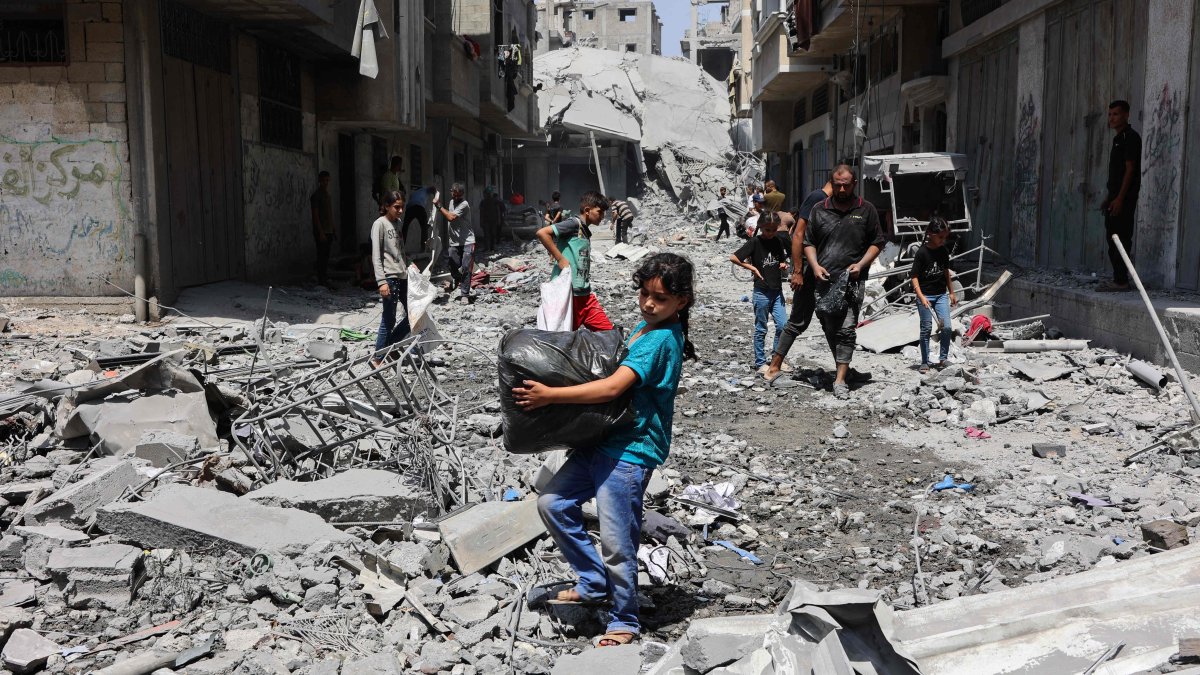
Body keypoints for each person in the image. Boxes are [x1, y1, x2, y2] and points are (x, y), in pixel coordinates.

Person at [517, 252, 696, 648]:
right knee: (552, 503)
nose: (648, 304)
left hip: (630, 451)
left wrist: (551, 395)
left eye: (660, 298)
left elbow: (614, 387)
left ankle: (624, 620)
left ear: (681, 302)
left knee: (617, 542)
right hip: (604, 440)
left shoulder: (661, 340)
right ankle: (593, 582)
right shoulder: (647, 328)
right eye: (644, 294)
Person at [804, 165, 885, 399]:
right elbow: (809, 242)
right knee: (829, 326)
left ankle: (839, 380)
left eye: (846, 185)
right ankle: (845, 369)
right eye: (837, 184)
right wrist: (815, 266)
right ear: (831, 183)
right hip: (825, 281)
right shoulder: (819, 210)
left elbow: (877, 242)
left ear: (854, 184)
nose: (841, 189)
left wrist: (861, 264)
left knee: (847, 329)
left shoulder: (866, 209)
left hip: (852, 281)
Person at [762, 181, 832, 385]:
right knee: (798, 321)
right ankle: (774, 366)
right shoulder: (818, 198)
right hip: (810, 269)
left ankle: (842, 372)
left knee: (830, 322)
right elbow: (798, 235)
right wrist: (798, 271)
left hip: (821, 268)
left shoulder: (828, 201)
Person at [536, 191, 614, 331]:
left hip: (585, 296)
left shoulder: (584, 230)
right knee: (560, 337)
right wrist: (560, 259)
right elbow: (543, 233)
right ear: (587, 210)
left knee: (609, 333)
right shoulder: (573, 224)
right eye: (600, 212)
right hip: (568, 296)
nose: (602, 216)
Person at [730, 211, 790, 374]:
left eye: (774, 230)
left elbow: (781, 259)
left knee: (783, 326)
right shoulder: (755, 242)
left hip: (777, 291)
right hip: (761, 292)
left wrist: (783, 265)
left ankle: (776, 360)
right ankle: (760, 362)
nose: (770, 233)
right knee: (761, 329)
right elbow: (734, 257)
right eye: (767, 230)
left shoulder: (778, 241)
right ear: (761, 227)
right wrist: (753, 268)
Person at [1100, 99, 1141, 292]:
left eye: (1115, 114)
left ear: (1126, 115)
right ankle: (1119, 279)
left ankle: (1121, 281)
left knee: (1121, 238)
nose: (1111, 118)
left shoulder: (1130, 138)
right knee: (1112, 238)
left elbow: (1130, 169)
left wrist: (1119, 199)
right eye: (1109, 114)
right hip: (1115, 197)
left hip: (1124, 199)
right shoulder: (1118, 139)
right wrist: (1110, 197)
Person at [911, 216, 956, 373]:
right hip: (925, 296)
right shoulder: (922, 253)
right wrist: (921, 297)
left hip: (941, 296)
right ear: (931, 234)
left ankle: (943, 359)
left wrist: (951, 292)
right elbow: (914, 276)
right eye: (941, 237)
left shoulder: (943, 251)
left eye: (945, 237)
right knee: (926, 328)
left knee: (947, 327)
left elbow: (946, 273)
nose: (943, 240)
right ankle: (925, 362)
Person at [370, 191, 411, 367]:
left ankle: (392, 344)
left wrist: (410, 264)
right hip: (390, 278)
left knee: (414, 314)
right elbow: (376, 256)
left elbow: (400, 251)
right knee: (389, 318)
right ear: (386, 206)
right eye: (396, 207)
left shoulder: (398, 224)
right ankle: (378, 358)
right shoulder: (379, 224)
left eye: (402, 207)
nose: (400, 210)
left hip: (403, 276)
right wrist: (382, 281)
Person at [435, 182, 475, 303]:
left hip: (468, 241)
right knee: (452, 265)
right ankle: (457, 280)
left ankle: (464, 294)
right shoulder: (451, 202)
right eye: (454, 194)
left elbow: (451, 217)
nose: (456, 197)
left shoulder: (464, 204)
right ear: (451, 192)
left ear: (462, 194)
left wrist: (439, 206)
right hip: (454, 242)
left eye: (459, 195)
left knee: (466, 267)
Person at [310, 170, 336, 287]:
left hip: (328, 230)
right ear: (320, 181)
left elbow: (329, 213)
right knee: (321, 256)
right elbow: (315, 215)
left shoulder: (327, 195)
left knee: (326, 256)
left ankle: (324, 278)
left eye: (327, 180)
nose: (326, 183)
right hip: (322, 231)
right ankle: (321, 279)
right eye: (324, 180)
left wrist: (333, 228)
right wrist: (321, 232)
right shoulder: (316, 196)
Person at [480, 187, 506, 252]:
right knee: (488, 235)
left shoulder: (495, 201)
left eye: (487, 193)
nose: (486, 195)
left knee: (491, 235)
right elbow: (481, 212)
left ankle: (491, 248)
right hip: (487, 221)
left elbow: (502, 208)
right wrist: (481, 221)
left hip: (492, 221)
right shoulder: (484, 202)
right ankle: (489, 248)